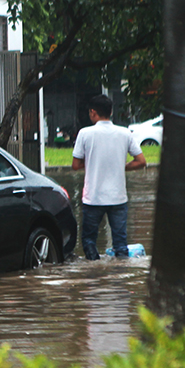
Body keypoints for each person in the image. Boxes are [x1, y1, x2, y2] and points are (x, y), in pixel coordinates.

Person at [71, 95, 146, 259]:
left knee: (89, 240)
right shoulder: (124, 133)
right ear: (111, 112)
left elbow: (75, 165)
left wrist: (91, 163)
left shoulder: (85, 133)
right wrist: (121, 167)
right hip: (118, 198)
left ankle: (95, 274)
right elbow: (141, 161)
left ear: (92, 112)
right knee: (120, 244)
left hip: (93, 198)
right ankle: (120, 278)